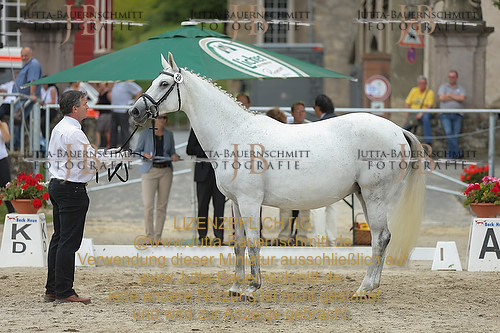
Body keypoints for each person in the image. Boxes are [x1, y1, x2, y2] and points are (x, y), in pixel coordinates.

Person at [44, 90, 93, 304]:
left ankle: (53, 288)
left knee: (59, 238)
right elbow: (90, 160)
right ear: (75, 108)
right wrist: (116, 157)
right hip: (71, 189)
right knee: (68, 242)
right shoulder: (74, 132)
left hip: (57, 185)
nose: (87, 107)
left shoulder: (59, 128)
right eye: (84, 103)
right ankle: (64, 291)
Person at [134, 115, 179, 243]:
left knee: (162, 206)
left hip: (166, 171)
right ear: (153, 119)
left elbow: (171, 152)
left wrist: (174, 156)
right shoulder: (144, 134)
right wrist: (144, 154)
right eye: (160, 117)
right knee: (148, 205)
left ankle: (157, 238)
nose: (163, 120)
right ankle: (149, 237)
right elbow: (137, 151)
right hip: (149, 171)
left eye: (165, 118)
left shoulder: (169, 134)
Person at [275, 101, 311, 246]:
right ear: (292, 113)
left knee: (305, 206)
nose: (301, 114)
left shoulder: (310, 129)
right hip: (288, 173)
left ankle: (302, 237)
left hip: (305, 172)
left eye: (303, 111)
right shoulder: (286, 130)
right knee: (285, 206)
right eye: (298, 111)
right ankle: (283, 236)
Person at [186, 129, 225, 245]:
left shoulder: (220, 128)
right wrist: (207, 150)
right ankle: (202, 236)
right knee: (202, 206)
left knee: (219, 207)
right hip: (202, 173)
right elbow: (189, 149)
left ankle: (219, 237)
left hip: (219, 174)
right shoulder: (196, 128)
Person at [311, 94, 337, 245]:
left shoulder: (319, 125)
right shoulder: (337, 121)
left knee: (317, 206)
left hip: (322, 169)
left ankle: (318, 240)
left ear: (318, 108)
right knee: (332, 206)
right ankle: (332, 239)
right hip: (337, 170)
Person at [12, 47, 42, 149]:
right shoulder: (27, 64)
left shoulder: (33, 64)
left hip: (25, 99)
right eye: (22, 55)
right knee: (17, 121)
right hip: (21, 99)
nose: (24, 58)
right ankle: (14, 144)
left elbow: (32, 80)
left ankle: (13, 144)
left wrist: (32, 94)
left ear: (31, 55)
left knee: (16, 120)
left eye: (26, 56)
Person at [438, 70, 466, 159]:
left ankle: (450, 156)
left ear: (456, 78)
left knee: (456, 135)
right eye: (450, 77)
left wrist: (450, 95)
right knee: (449, 133)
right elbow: (442, 98)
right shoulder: (443, 87)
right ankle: (458, 153)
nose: (451, 79)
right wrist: (455, 97)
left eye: (453, 77)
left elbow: (462, 98)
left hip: (457, 115)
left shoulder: (461, 88)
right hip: (445, 114)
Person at [404, 76, 435, 146]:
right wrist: (406, 117)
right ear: (418, 84)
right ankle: (403, 139)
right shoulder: (414, 90)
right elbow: (407, 103)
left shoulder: (430, 92)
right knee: (406, 125)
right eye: (420, 83)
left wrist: (421, 113)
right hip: (413, 112)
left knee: (426, 118)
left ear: (426, 84)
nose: (422, 85)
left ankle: (428, 141)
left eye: (423, 83)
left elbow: (429, 106)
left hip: (425, 112)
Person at [110, 81, 142, 150]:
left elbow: (139, 90)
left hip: (123, 110)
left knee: (124, 131)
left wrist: (135, 104)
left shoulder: (127, 83)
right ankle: (112, 149)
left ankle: (126, 149)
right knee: (113, 131)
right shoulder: (116, 83)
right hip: (114, 110)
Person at [0, 119, 14, 213]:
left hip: (2, 158)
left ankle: (11, 211)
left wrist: (1, 125)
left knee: (6, 185)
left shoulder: (3, 124)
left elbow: (7, 138)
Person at [95, 82, 112, 148]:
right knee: (103, 131)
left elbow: (112, 103)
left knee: (103, 131)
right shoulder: (100, 93)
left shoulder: (108, 93)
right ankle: (103, 145)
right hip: (101, 114)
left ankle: (102, 145)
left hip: (106, 114)